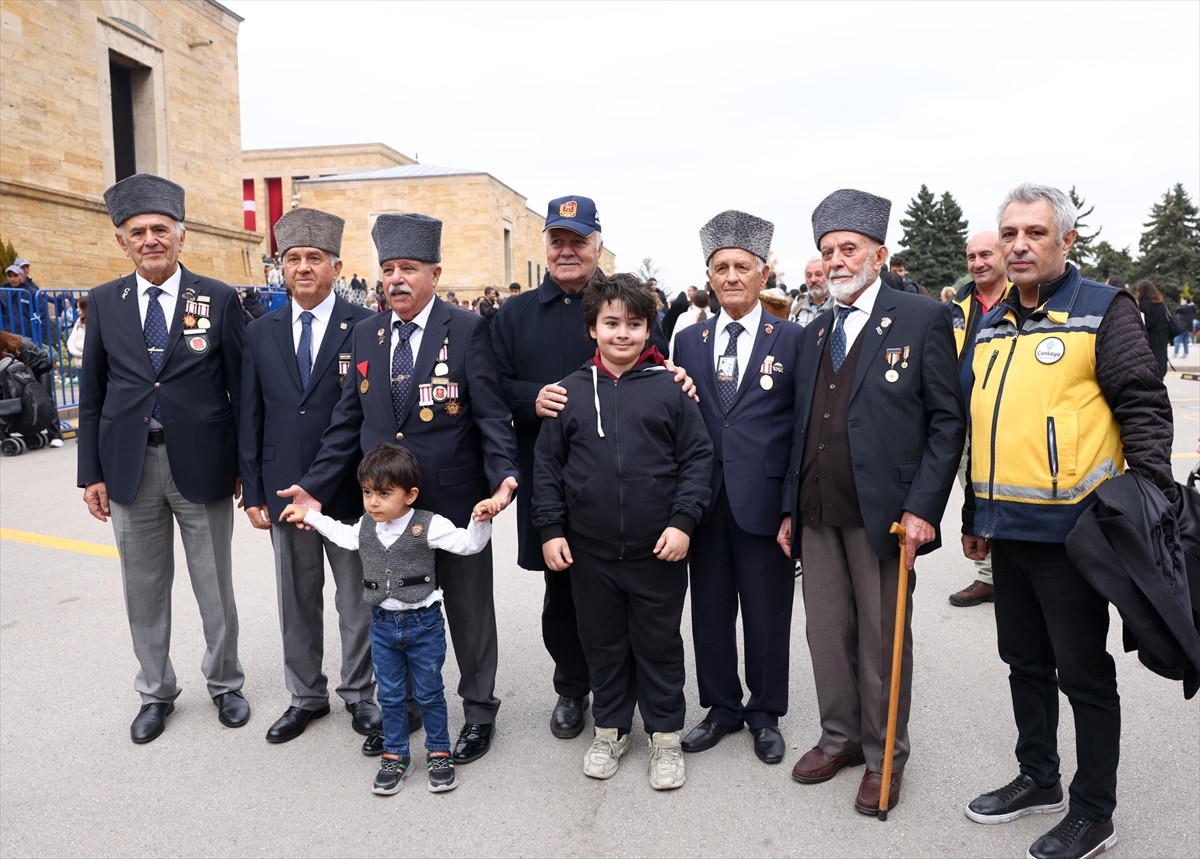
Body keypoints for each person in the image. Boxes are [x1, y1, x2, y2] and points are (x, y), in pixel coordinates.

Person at [960, 183, 1176, 859]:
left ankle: (1093, 810)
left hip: (1075, 536)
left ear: (1067, 241)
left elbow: (1144, 407)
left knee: (1082, 673)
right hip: (1008, 530)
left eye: (1035, 232)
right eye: (1010, 232)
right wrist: (974, 512)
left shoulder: (1101, 310)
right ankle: (1038, 777)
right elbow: (983, 428)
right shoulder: (991, 323)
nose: (1018, 245)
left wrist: (1147, 502)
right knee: (1023, 661)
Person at [283, 211, 519, 765]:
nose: (396, 279)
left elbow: (489, 414)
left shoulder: (465, 328)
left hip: (453, 502)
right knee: (393, 610)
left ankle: (479, 710)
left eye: (408, 268)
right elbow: (347, 422)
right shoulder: (366, 332)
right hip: (386, 511)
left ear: (435, 273)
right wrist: (315, 489)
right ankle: (409, 707)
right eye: (388, 268)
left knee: (466, 610)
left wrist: (504, 475)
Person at [778, 188, 964, 815]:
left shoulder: (921, 318)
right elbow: (800, 423)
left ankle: (885, 756)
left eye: (847, 248)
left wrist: (924, 507)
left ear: (879, 254)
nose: (834, 260)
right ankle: (840, 738)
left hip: (886, 513)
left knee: (883, 640)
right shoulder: (814, 330)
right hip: (818, 510)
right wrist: (788, 508)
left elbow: (946, 421)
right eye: (827, 251)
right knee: (827, 634)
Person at [491, 194, 671, 743]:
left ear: (597, 243)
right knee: (563, 592)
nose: (566, 251)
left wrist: (679, 379)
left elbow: (657, 364)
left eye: (578, 240)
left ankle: (632, 692)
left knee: (633, 593)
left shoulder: (623, 304)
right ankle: (573, 688)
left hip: (626, 487)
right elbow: (489, 385)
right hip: (551, 482)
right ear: (545, 245)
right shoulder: (515, 314)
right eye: (557, 240)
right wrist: (530, 398)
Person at [77, 173, 249, 744]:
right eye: (138, 231)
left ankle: (225, 683)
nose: (150, 239)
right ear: (121, 241)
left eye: (160, 229)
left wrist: (248, 469)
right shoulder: (103, 301)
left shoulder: (218, 298)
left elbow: (243, 392)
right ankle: (155, 691)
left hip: (202, 463)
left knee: (214, 584)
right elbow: (93, 393)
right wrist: (90, 475)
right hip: (129, 466)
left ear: (181, 235)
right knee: (142, 587)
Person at [531, 273, 713, 790]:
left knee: (658, 644)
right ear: (593, 328)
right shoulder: (566, 394)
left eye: (634, 324)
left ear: (649, 330)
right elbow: (547, 468)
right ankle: (610, 728)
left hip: (659, 552)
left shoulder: (670, 390)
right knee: (603, 644)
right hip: (590, 553)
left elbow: (698, 460)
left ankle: (665, 736)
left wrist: (683, 522)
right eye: (611, 323)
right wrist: (551, 529)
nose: (622, 334)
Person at [239, 208, 390, 751]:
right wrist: (252, 490)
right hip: (282, 488)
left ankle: (359, 693)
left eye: (314, 259)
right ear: (281, 267)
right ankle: (305, 696)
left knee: (356, 597)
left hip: (350, 491)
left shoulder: (366, 328)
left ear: (336, 265)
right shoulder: (260, 331)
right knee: (297, 599)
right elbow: (250, 415)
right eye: (292, 259)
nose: (303, 268)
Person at [282, 444, 501, 795]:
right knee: (392, 694)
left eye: (384, 494)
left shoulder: (429, 525)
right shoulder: (366, 527)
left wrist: (481, 519)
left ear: (410, 494)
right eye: (368, 492)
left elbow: (467, 546)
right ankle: (395, 754)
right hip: (383, 626)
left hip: (424, 624)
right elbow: (339, 532)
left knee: (429, 693)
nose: (373, 502)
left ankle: (439, 752)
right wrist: (308, 515)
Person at [673, 211, 802, 766]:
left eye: (741, 267)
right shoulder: (689, 341)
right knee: (710, 608)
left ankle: (766, 711)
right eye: (720, 267)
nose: (730, 277)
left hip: (766, 500)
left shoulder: (794, 339)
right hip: (705, 499)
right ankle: (722, 706)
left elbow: (801, 429)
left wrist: (793, 507)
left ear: (763, 271)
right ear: (708, 274)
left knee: (768, 610)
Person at [946, 232, 1013, 608]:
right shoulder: (957, 307)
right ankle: (990, 575)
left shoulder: (1023, 299)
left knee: (1008, 495)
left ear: (1003, 255)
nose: (977, 262)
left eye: (985, 254)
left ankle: (1007, 576)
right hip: (964, 419)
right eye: (971, 256)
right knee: (975, 496)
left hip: (1007, 417)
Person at [1135, 280, 1171, 380]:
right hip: (1163, 335)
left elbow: (1148, 322)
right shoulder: (1160, 302)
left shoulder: (1144, 303)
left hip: (1152, 336)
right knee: (1161, 357)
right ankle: (1161, 378)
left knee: (1152, 358)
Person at [667, 288, 710, 356]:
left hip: (686, 357)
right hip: (710, 359)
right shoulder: (715, 317)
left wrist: (671, 359)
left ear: (693, 301)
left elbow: (674, 340)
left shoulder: (684, 317)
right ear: (708, 301)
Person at [791, 258, 833, 327]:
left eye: (819, 274)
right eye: (809, 276)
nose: (813, 280)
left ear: (829, 277)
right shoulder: (797, 308)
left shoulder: (838, 307)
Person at [67, 293, 88, 369]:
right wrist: (80, 353)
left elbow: (89, 346)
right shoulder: (79, 321)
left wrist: (78, 344)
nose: (77, 310)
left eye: (79, 307)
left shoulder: (95, 323)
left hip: (91, 366)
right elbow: (70, 343)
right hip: (80, 365)